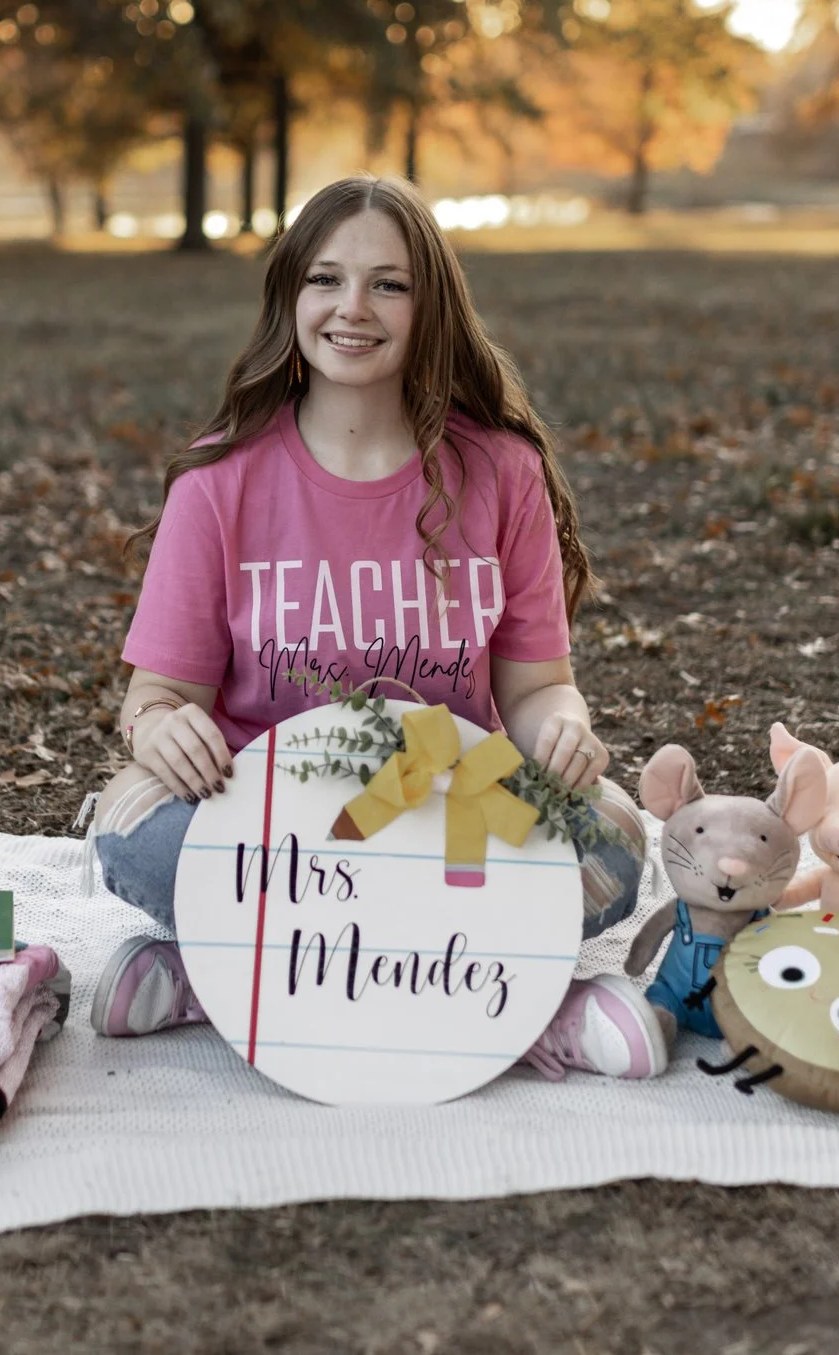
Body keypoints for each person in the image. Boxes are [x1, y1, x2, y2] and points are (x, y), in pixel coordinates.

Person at [83, 174, 669, 1079]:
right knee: (132, 834)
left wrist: (566, 728)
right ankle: (498, 981)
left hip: (451, 806)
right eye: (325, 279)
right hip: (272, 822)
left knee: (616, 844)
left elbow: (536, 687)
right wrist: (164, 730)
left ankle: (232, 969)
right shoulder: (219, 482)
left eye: (388, 284)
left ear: (429, 305)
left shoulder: (503, 473)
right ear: (290, 297)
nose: (352, 308)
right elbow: (154, 701)